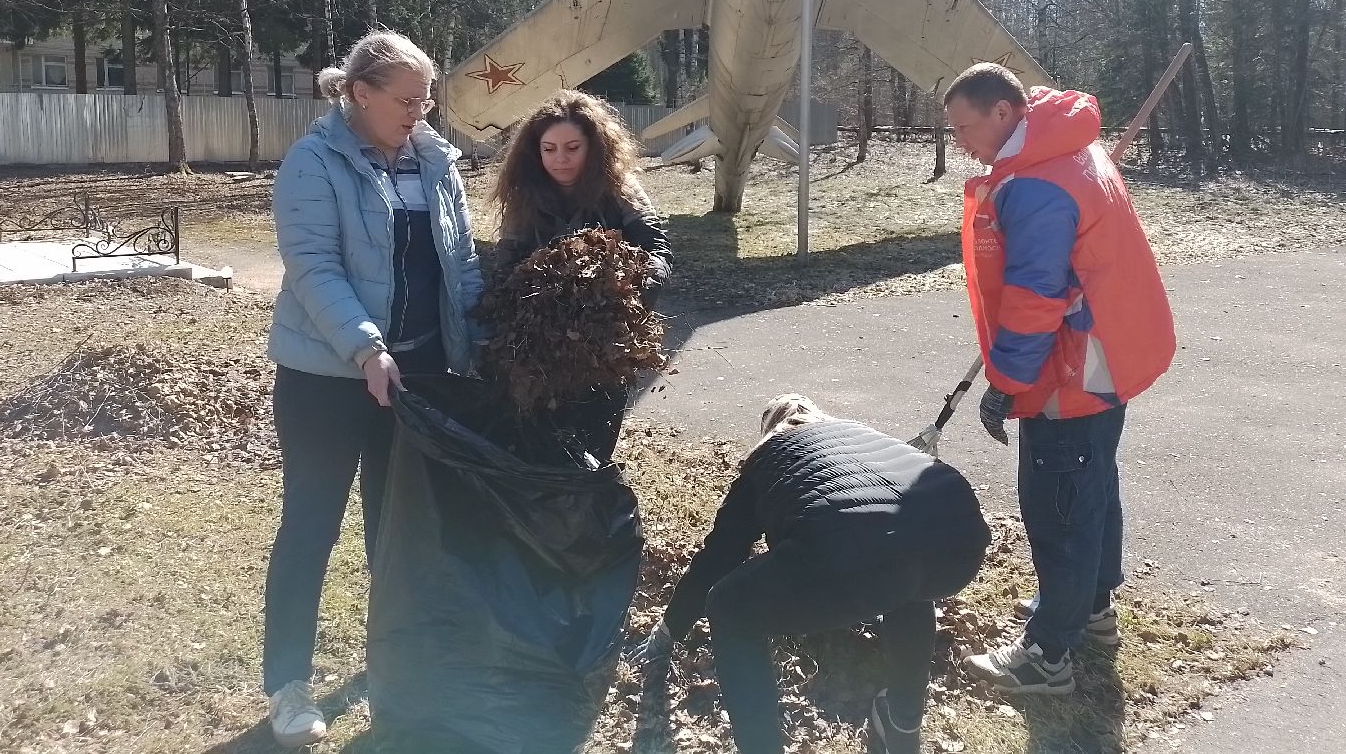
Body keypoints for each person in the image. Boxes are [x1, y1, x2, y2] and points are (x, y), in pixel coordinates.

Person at [263, 29, 483, 748]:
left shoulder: (434, 161)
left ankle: (396, 663)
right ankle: (290, 686)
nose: (420, 111)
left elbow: (460, 263)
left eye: (427, 99)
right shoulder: (313, 163)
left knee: (399, 533)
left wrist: (477, 342)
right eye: (407, 98)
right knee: (312, 527)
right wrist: (365, 349)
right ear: (360, 94)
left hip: (415, 380)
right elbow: (313, 267)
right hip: (327, 380)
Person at [941, 62, 1175, 696]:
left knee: (1060, 505)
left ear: (1004, 113)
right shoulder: (1065, 146)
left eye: (964, 127)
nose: (959, 140)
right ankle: (1090, 609)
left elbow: (1034, 296)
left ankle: (1048, 657)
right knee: (1092, 484)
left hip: (1074, 366)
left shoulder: (1040, 186)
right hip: (1111, 354)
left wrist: (1008, 383)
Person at [627, 395, 991, 754]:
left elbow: (720, 556)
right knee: (909, 577)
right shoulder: (853, 431)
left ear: (768, 430)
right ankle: (902, 722)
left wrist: (668, 631)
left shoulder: (767, 457)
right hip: (959, 535)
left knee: (727, 604)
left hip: (859, 545)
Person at [489, 89, 672, 459]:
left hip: (607, 345)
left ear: (595, 146)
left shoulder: (620, 189)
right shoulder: (525, 196)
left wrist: (630, 296)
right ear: (534, 151)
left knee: (595, 446)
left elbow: (658, 250)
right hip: (542, 347)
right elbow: (506, 264)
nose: (561, 160)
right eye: (549, 149)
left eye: (573, 147)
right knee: (544, 446)